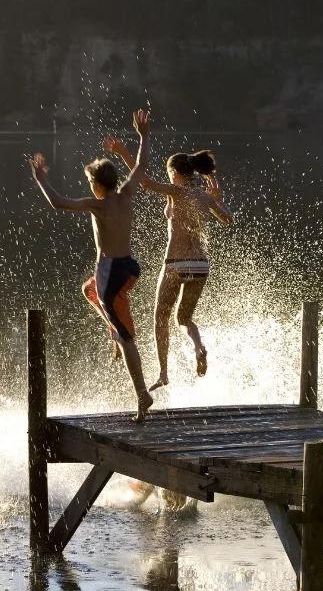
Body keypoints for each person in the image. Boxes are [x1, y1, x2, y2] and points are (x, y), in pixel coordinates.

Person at [29, 109, 154, 422]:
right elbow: (141, 166)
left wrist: (41, 180)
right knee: (88, 291)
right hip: (129, 267)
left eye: (89, 182)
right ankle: (115, 330)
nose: (88, 187)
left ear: (98, 185)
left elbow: (58, 203)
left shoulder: (97, 205)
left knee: (127, 339)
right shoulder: (126, 193)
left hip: (111, 273)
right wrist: (143, 136)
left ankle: (142, 395)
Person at [104, 140, 232, 388]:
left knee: (160, 318)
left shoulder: (176, 191)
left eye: (169, 174)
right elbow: (228, 219)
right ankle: (198, 346)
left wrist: (123, 153)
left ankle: (163, 374)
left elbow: (144, 182)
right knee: (184, 318)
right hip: (200, 266)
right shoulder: (204, 196)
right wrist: (217, 198)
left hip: (176, 262)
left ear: (174, 174)